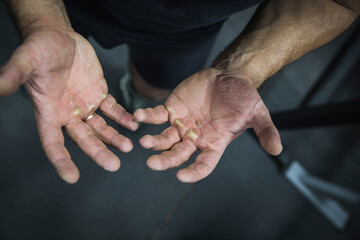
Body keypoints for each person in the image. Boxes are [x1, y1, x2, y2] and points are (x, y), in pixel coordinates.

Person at [0, 0, 358, 184]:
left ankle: (135, 93)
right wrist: (42, 21)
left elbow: (340, 2)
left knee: (153, 89)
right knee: (40, 69)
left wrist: (241, 69)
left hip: (186, 29)